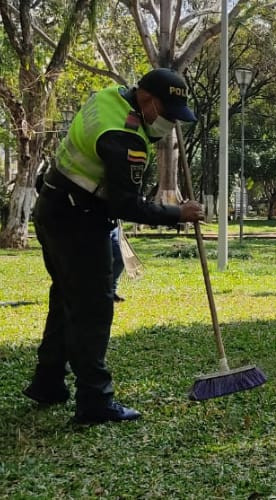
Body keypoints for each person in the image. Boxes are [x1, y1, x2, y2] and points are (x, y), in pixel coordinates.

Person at [24, 68, 205, 424]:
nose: (169, 124)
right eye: (166, 114)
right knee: (93, 308)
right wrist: (179, 213)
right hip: (78, 221)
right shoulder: (125, 138)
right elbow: (127, 205)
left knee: (66, 297)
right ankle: (95, 401)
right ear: (147, 100)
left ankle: (48, 383)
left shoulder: (112, 97)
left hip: (53, 208)